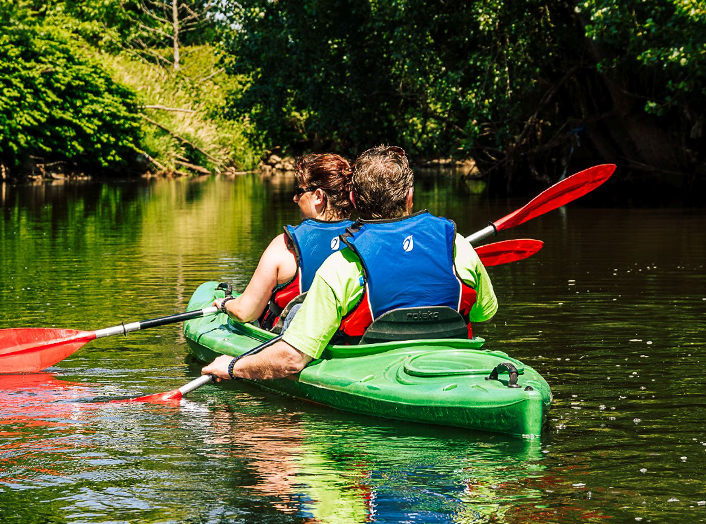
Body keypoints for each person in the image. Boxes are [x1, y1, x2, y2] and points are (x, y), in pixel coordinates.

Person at [203, 145, 497, 381]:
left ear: (354, 199)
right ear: (409, 196)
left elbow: (292, 359)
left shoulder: (343, 264)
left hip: (372, 373)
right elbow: (483, 314)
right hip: (451, 366)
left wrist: (232, 367)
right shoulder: (457, 246)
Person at [221, 153, 353, 328]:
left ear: (319, 196)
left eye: (300, 192)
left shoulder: (284, 246)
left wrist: (226, 304)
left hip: (290, 340)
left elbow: (245, 312)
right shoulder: (364, 239)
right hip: (344, 338)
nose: (295, 198)